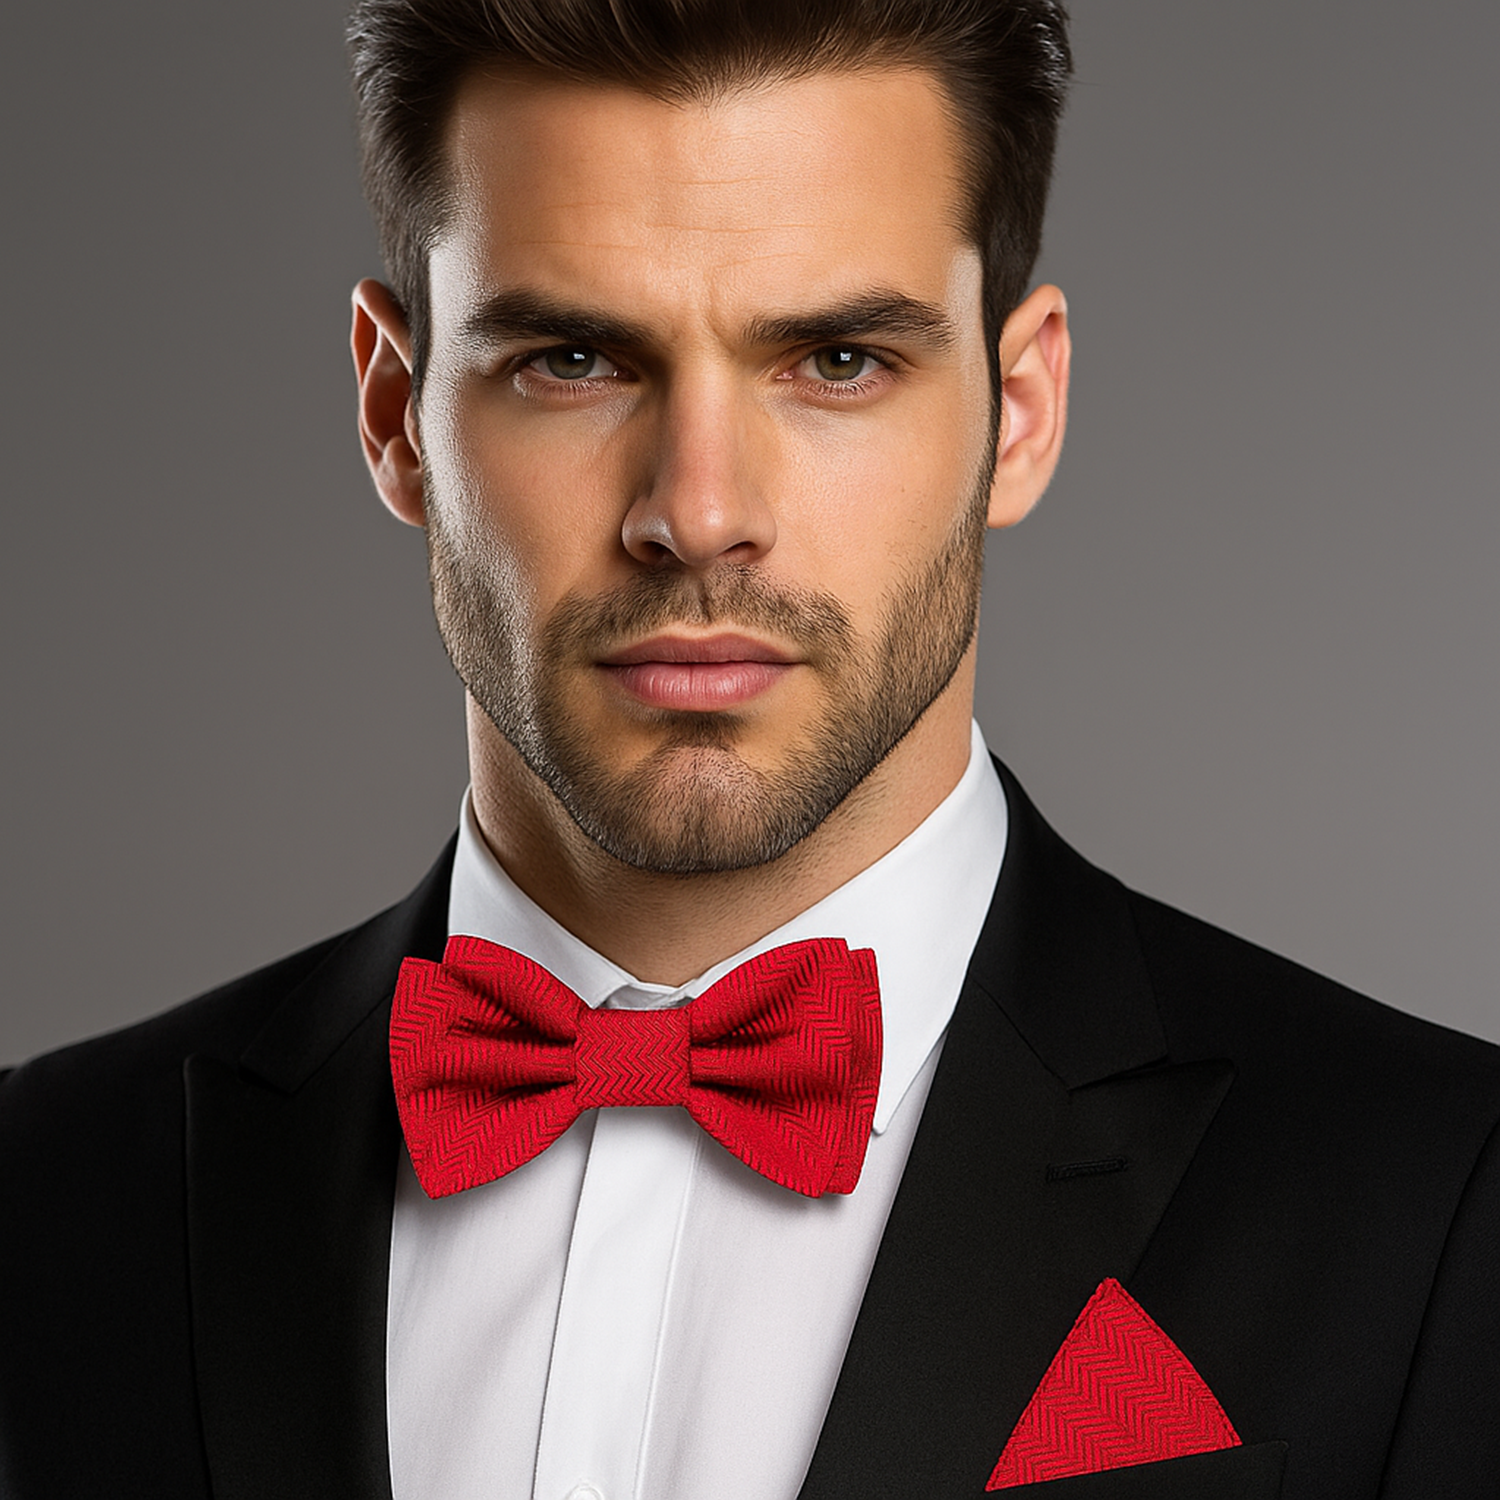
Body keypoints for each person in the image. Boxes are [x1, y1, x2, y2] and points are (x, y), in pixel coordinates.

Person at [2, 1, 1496, 1496]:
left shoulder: (1438, 1207)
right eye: (574, 359)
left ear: (1020, 411)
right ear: (395, 415)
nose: (700, 511)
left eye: (837, 360)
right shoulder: (45, 1199)